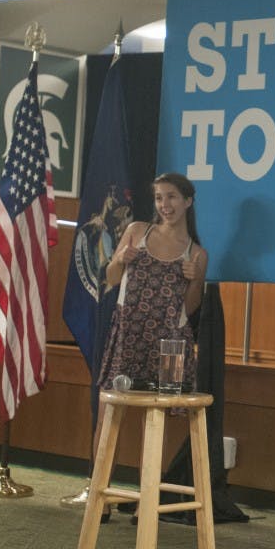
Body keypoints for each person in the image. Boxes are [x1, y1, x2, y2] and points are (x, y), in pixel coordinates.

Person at [94, 172, 208, 521]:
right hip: (128, 332)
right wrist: (120, 260)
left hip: (171, 344)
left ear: (187, 201)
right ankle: (98, 497)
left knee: (155, 424)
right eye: (159, 198)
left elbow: (189, 308)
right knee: (109, 415)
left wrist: (192, 279)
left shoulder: (197, 253)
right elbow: (111, 280)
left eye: (172, 197)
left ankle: (146, 502)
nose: (165, 205)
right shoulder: (136, 232)